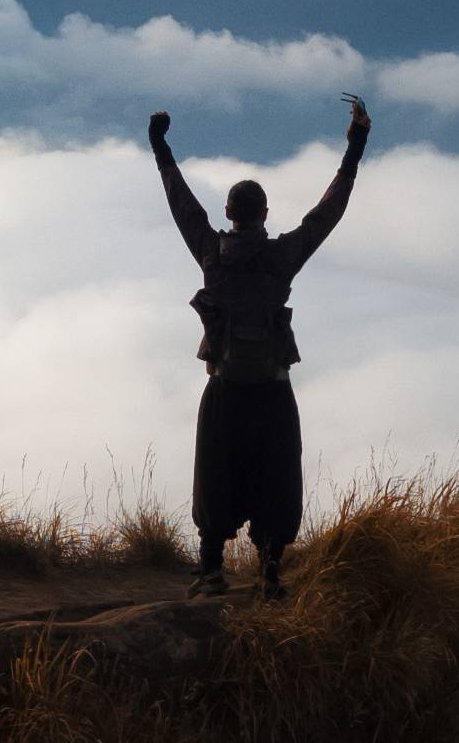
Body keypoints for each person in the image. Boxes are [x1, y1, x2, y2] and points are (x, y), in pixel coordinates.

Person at [147, 95, 372, 600]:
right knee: (275, 477)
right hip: (272, 390)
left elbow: (180, 202)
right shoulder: (283, 258)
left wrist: (161, 149)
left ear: (228, 212)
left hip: (225, 387)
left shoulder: (211, 254)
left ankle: (211, 572)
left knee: (216, 474)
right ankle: (270, 574)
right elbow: (328, 212)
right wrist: (354, 148)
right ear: (265, 214)